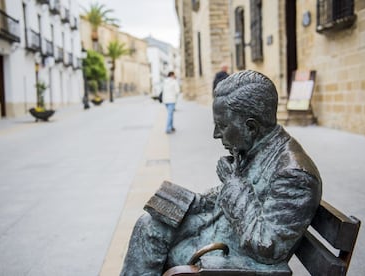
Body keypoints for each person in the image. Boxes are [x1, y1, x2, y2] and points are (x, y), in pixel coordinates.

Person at [120, 70, 322, 275]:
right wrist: (194, 201)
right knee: (148, 225)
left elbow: (268, 246)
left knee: (151, 238)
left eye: (223, 126)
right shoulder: (256, 146)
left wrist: (232, 183)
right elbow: (243, 190)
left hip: (230, 257)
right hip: (219, 232)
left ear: (251, 127)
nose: (216, 134)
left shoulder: (295, 175)